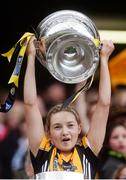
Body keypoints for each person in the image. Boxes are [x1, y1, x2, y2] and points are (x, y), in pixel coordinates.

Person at [23, 36, 114, 179]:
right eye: (57, 127)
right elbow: (30, 104)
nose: (65, 132)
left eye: (70, 125)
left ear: (79, 128)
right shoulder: (42, 152)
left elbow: (104, 105)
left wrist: (104, 59)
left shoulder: (88, 151)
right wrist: (30, 56)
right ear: (49, 133)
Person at [98, 113, 126, 179]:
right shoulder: (111, 165)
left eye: (124, 136)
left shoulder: (121, 159)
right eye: (115, 137)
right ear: (108, 143)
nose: (121, 140)